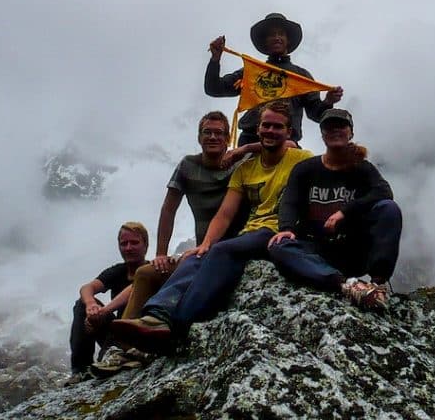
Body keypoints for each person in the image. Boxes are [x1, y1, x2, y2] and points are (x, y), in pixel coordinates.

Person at [111, 101, 313, 352]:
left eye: (219, 133)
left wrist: (242, 150)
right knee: (148, 273)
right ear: (199, 137)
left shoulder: (247, 161)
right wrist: (173, 251)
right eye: (207, 132)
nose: (213, 137)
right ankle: (127, 344)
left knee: (210, 255)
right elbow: (187, 210)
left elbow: (290, 149)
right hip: (222, 241)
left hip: (250, 239)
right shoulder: (199, 166)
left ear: (230, 138)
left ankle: (174, 325)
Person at [268, 109, 402, 309]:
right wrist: (286, 228)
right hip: (317, 250)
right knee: (279, 246)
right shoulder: (305, 169)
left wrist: (345, 212)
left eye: (341, 126)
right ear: (322, 134)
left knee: (389, 209)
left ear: (351, 133)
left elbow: (384, 192)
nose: (335, 131)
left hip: (353, 250)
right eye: (329, 127)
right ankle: (347, 286)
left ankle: (378, 283)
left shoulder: (362, 168)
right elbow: (290, 202)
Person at [205, 12, 343, 144]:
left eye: (281, 34)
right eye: (272, 35)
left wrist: (328, 101)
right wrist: (215, 59)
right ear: (265, 42)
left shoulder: (301, 76)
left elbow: (317, 114)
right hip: (250, 141)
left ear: (287, 40)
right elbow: (213, 88)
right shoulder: (251, 72)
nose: (277, 37)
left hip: (287, 145)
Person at [68, 221, 148, 375]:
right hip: (117, 330)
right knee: (81, 305)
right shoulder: (118, 271)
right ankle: (79, 370)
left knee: (106, 362)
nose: (128, 248)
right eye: (124, 244)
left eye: (134, 243)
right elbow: (87, 288)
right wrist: (91, 306)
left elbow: (135, 289)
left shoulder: (151, 272)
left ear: (145, 245)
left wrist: (102, 312)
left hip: (140, 330)